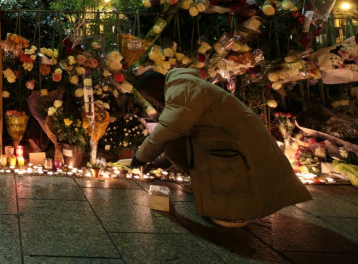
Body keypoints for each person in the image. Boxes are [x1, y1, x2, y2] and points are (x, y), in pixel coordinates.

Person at [131, 68, 311, 227]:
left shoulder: (182, 89)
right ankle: (207, 188)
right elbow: (177, 133)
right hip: (230, 143)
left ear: (155, 89)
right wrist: (159, 163)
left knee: (172, 145)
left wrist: (140, 157)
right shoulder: (182, 86)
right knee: (173, 146)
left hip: (242, 148)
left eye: (150, 97)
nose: (154, 102)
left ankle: (234, 208)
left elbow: (169, 129)